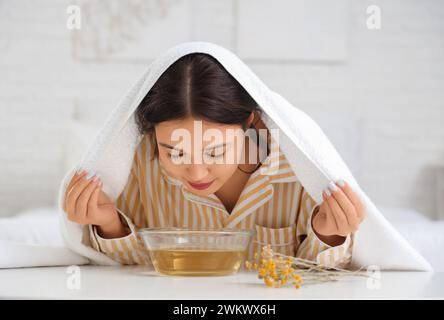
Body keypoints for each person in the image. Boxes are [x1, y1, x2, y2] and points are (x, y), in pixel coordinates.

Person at [63, 53, 365, 268]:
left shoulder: (297, 170)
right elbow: (136, 267)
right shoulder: (141, 162)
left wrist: (329, 231)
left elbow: (318, 275)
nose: (196, 172)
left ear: (250, 124)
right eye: (175, 153)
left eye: (215, 152)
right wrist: (109, 224)